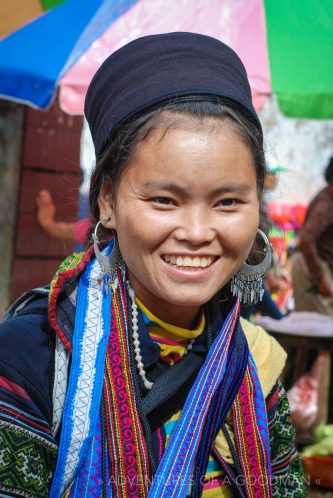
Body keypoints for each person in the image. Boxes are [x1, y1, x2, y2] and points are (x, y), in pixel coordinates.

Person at [0, 33, 306, 497]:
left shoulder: (257, 365)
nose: (199, 232)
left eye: (228, 202)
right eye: (164, 200)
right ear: (107, 201)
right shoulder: (31, 362)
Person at [291, 156, 333, 316]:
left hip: (314, 265)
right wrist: (319, 278)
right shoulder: (326, 204)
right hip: (309, 267)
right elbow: (306, 240)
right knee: (320, 329)